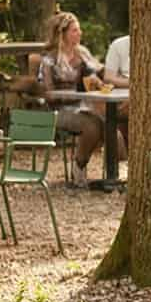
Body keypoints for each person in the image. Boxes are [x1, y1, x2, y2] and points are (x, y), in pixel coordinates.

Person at [31, 11, 117, 177]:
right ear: (62, 34)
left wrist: (106, 78)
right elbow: (48, 93)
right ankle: (79, 166)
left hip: (84, 106)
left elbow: (97, 72)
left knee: (110, 126)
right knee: (92, 126)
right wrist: (73, 94)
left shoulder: (82, 53)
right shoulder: (50, 59)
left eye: (79, 30)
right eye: (75, 30)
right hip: (59, 110)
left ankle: (114, 174)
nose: (80, 33)